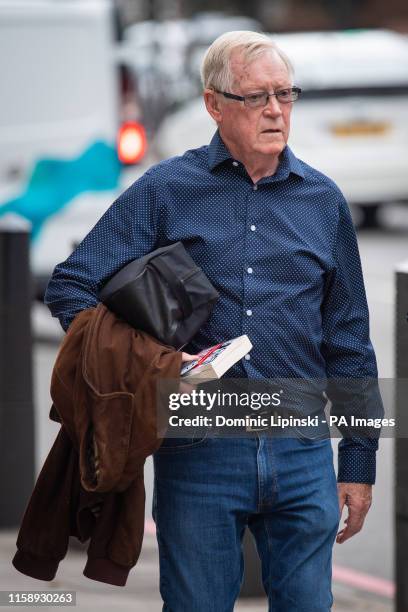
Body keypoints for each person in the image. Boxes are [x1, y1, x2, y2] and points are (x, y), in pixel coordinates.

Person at [45, 31, 381, 611]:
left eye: (285, 94)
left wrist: (358, 461)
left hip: (301, 450)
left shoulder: (324, 202)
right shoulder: (166, 190)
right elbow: (72, 283)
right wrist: (140, 358)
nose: (275, 110)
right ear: (213, 104)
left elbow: (349, 341)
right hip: (198, 449)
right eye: (256, 97)